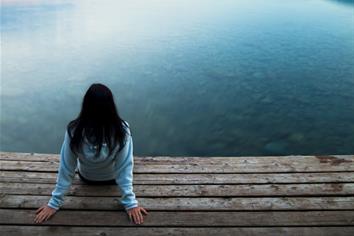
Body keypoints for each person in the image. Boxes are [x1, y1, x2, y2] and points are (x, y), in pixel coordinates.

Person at [34, 83, 148, 225]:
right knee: (127, 161)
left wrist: (54, 203)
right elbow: (124, 169)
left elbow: (67, 168)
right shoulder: (122, 130)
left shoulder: (74, 130)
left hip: (87, 178)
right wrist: (130, 203)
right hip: (112, 179)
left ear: (86, 106)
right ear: (111, 106)